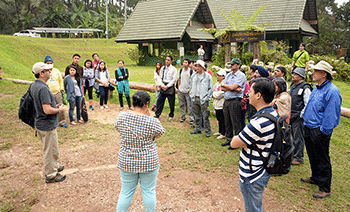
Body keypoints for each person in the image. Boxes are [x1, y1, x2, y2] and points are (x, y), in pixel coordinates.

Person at [230, 78, 278, 212]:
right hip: (262, 169)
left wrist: (237, 137)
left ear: (258, 95)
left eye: (250, 91)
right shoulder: (273, 113)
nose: (247, 94)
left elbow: (235, 143)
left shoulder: (259, 122)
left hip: (253, 175)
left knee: (252, 209)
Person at [115, 90, 165, 212]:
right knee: (149, 191)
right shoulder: (153, 121)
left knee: (126, 192)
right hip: (148, 161)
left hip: (126, 160)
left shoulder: (122, 117)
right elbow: (158, 134)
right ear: (147, 104)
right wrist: (149, 115)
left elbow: (118, 128)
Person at [301, 60, 342, 199]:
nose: (312, 73)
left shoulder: (332, 91)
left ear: (323, 74)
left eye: (315, 71)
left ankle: (325, 188)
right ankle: (315, 177)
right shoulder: (317, 88)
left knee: (322, 157)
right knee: (312, 155)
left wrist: (323, 131)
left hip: (319, 130)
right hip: (309, 126)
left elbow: (331, 114)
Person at [31, 62, 67, 183]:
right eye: (47, 71)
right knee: (50, 150)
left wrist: (54, 105)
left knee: (53, 148)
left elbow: (41, 106)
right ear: (41, 74)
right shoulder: (43, 88)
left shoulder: (35, 85)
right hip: (46, 124)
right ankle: (51, 175)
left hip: (41, 123)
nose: (50, 72)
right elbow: (47, 110)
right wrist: (59, 109)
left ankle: (55, 167)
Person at [221, 58, 246, 149]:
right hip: (227, 100)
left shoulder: (241, 75)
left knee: (236, 122)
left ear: (238, 65)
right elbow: (222, 87)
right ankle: (229, 139)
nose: (231, 66)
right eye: (231, 64)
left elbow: (232, 87)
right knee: (227, 121)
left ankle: (237, 142)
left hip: (235, 101)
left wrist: (231, 87)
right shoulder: (228, 75)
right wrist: (232, 88)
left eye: (233, 64)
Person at [289, 67, 312, 165]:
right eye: (292, 73)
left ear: (301, 76)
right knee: (292, 135)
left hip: (299, 116)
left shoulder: (305, 87)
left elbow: (308, 103)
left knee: (298, 136)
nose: (292, 75)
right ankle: (293, 153)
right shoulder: (294, 85)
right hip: (292, 114)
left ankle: (299, 157)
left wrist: (301, 115)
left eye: (295, 74)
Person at [189, 60, 213, 137]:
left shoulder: (208, 76)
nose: (196, 68)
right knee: (196, 115)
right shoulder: (193, 76)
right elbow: (190, 85)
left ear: (202, 67)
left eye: (198, 66)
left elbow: (211, 88)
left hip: (203, 99)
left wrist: (207, 98)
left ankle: (207, 130)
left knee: (205, 116)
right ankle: (198, 129)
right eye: (196, 66)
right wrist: (191, 94)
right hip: (194, 98)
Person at [44, 55, 67, 128]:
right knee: (49, 107)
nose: (49, 64)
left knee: (60, 106)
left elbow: (60, 80)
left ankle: (62, 121)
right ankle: (51, 122)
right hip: (48, 92)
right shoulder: (43, 71)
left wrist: (61, 89)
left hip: (57, 92)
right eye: (47, 63)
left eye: (51, 63)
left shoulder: (56, 71)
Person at [154, 56, 177, 121]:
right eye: (166, 60)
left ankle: (171, 115)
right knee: (160, 101)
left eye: (168, 60)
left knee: (171, 102)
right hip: (163, 84)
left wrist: (168, 86)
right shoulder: (163, 68)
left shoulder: (173, 69)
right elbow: (160, 77)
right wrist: (162, 85)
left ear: (171, 61)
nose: (167, 61)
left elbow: (174, 79)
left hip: (170, 86)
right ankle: (157, 114)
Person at [177, 58, 194, 123]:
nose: (184, 64)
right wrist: (178, 88)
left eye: (186, 62)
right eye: (184, 62)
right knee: (181, 104)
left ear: (189, 64)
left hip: (188, 91)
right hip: (181, 90)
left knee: (189, 105)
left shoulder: (191, 71)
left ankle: (191, 118)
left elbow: (192, 81)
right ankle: (183, 116)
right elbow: (179, 79)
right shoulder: (181, 70)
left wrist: (190, 89)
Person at [212, 69, 226, 140]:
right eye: (217, 75)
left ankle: (223, 133)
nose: (217, 77)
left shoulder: (224, 83)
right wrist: (214, 94)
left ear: (223, 76)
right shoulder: (216, 84)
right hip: (216, 103)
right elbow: (213, 91)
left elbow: (221, 94)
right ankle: (220, 131)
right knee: (218, 118)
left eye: (219, 75)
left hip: (222, 103)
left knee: (222, 118)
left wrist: (214, 95)